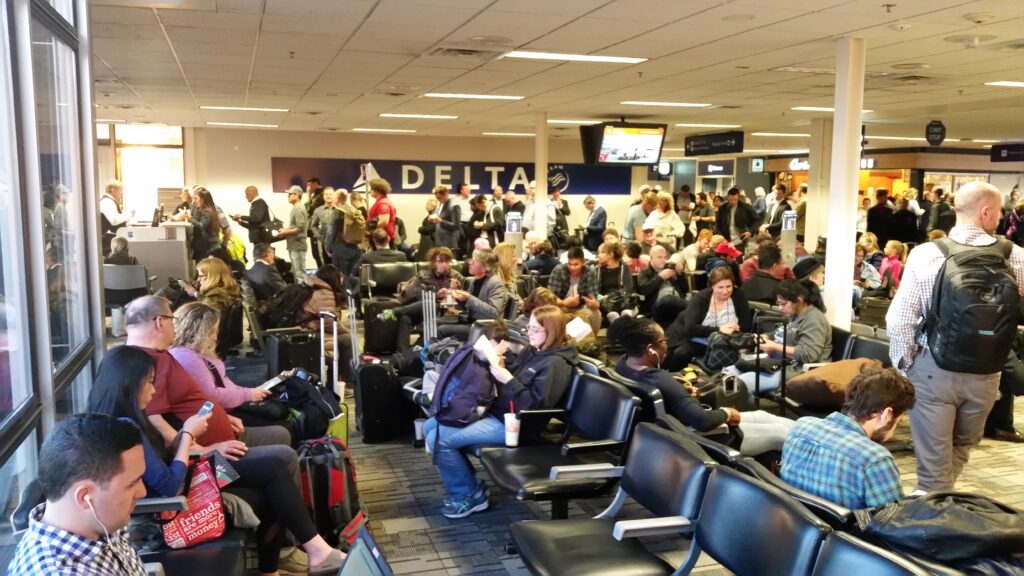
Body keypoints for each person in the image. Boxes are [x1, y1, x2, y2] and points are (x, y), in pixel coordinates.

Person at [88, 346, 345, 575]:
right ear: (130, 385)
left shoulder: (120, 420)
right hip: (173, 504)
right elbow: (168, 486)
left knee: (275, 477)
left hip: (184, 481)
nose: (154, 390)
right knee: (275, 473)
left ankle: (299, 558)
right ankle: (308, 553)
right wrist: (188, 435)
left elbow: (159, 467)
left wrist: (192, 445)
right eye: (150, 383)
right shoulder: (127, 428)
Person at [887, 182, 1024, 492]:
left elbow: (899, 319)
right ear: (985, 212)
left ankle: (930, 510)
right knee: (963, 444)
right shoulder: (1016, 257)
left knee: (934, 459)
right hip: (987, 373)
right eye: (999, 211)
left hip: (934, 368)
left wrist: (905, 365)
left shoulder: (927, 254)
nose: (1002, 216)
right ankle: (937, 500)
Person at [424, 305, 578, 518]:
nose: (528, 333)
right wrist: (500, 364)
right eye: (529, 329)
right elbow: (517, 377)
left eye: (534, 330)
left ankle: (468, 495)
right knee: (430, 425)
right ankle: (470, 486)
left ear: (550, 331)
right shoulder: (535, 351)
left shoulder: (555, 364)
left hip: (515, 425)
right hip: (498, 411)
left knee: (438, 439)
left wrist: (508, 379)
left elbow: (536, 406)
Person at [124, 296, 292, 454]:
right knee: (283, 450)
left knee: (282, 434)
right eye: (171, 319)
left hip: (219, 434)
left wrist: (225, 417)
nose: (175, 325)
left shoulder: (163, 356)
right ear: (160, 322)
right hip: (210, 450)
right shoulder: (164, 359)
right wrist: (202, 450)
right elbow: (155, 417)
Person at [611, 316, 794, 456]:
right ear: (650, 349)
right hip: (701, 438)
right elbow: (703, 421)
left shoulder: (622, 364)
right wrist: (727, 412)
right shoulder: (658, 378)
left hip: (668, 433)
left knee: (762, 415)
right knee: (779, 433)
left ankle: (813, 430)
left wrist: (678, 390)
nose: (666, 346)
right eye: (663, 342)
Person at [8, 413, 148, 575]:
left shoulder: (101, 520)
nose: (142, 492)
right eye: (132, 484)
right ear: (84, 498)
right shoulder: (58, 571)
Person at [782, 367, 916, 509]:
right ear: (887, 414)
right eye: (898, 421)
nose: (894, 431)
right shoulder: (875, 459)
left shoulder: (801, 427)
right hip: (844, 530)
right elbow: (892, 524)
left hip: (796, 525)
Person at [736, 280, 832, 402]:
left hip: (795, 370)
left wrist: (775, 347)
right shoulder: (793, 314)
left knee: (740, 384)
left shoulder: (814, 320)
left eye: (783, 304)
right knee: (732, 372)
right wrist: (766, 337)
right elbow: (781, 333)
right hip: (776, 363)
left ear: (799, 299)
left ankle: (742, 417)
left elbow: (809, 354)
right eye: (778, 303)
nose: (780, 308)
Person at [170, 302, 274, 412]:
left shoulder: (190, 352)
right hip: (220, 411)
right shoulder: (188, 358)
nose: (215, 337)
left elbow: (222, 384)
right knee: (281, 426)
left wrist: (248, 392)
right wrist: (247, 394)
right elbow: (211, 396)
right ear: (199, 332)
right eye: (212, 331)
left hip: (225, 405)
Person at [664, 266, 752, 371]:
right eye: (720, 287)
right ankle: (670, 378)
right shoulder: (701, 298)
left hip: (724, 340)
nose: (725, 291)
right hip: (695, 336)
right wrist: (719, 329)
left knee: (682, 353)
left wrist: (736, 327)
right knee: (668, 353)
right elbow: (690, 328)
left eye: (728, 286)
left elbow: (747, 324)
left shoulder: (738, 295)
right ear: (712, 286)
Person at [394, 247, 464, 352]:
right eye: (440, 261)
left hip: (445, 312)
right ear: (433, 262)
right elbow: (418, 296)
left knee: (432, 314)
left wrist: (452, 290)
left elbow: (462, 299)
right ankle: (402, 352)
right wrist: (437, 295)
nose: (444, 264)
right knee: (405, 317)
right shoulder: (423, 275)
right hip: (424, 308)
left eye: (447, 261)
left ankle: (417, 348)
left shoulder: (457, 277)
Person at [437, 249, 510, 340]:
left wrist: (468, 298)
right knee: (434, 323)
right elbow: (467, 308)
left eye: (474, 260)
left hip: (486, 327)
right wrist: (455, 293)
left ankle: (437, 352)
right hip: (471, 321)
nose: (470, 262)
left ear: (485, 266)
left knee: (440, 330)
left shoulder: (495, 282)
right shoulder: (475, 280)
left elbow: (494, 313)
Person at [547, 246, 601, 333]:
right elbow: (550, 298)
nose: (572, 268)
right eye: (569, 264)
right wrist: (564, 303)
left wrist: (595, 304)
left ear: (584, 262)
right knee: (551, 313)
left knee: (595, 313)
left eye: (576, 264)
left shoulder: (590, 272)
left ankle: (590, 342)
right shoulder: (559, 270)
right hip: (561, 306)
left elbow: (593, 297)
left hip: (581, 307)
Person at [636, 245, 687, 325]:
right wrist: (660, 277)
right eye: (659, 257)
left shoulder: (670, 268)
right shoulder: (645, 272)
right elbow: (644, 290)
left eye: (664, 257)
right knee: (668, 299)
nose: (663, 260)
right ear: (651, 257)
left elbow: (685, 290)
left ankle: (693, 307)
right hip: (658, 305)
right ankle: (692, 305)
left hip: (677, 303)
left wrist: (679, 275)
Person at [275, 186, 310, 284]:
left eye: (290, 194)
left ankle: (303, 296)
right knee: (297, 272)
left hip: (297, 245)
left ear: (297, 195)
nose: (288, 196)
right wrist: (286, 229)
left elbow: (300, 228)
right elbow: (297, 226)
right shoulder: (296, 208)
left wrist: (286, 232)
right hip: (294, 245)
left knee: (300, 273)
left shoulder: (299, 209)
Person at [595, 242, 635, 323]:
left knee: (625, 313)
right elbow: (595, 291)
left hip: (622, 299)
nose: (599, 255)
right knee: (612, 313)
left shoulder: (624, 267)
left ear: (611, 254)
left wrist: (610, 296)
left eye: (602, 252)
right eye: (598, 253)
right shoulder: (598, 270)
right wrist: (601, 298)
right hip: (605, 303)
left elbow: (628, 289)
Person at [232, 185, 274, 253]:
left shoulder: (259, 202)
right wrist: (241, 222)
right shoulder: (255, 204)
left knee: (263, 259)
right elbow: (254, 225)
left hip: (261, 240)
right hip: (259, 240)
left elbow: (257, 218)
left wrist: (241, 216)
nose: (245, 196)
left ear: (253, 193)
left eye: (246, 193)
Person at [100, 179, 131, 255]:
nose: (122, 194)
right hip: (108, 243)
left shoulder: (110, 201)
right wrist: (128, 214)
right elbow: (114, 221)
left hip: (111, 241)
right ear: (113, 190)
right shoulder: (107, 202)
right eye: (121, 191)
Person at [309, 187, 337, 266]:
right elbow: (313, 226)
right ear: (323, 196)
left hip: (339, 242)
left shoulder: (340, 209)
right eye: (326, 194)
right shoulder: (318, 210)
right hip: (325, 242)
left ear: (334, 195)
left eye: (330, 194)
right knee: (327, 265)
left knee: (339, 266)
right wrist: (320, 236)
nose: (328, 196)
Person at [431, 185, 462, 254]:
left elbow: (456, 226)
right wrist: (432, 218)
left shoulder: (454, 206)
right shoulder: (440, 204)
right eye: (437, 198)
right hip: (439, 240)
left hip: (449, 242)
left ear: (446, 194)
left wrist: (440, 221)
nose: (438, 200)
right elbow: (437, 216)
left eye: (439, 198)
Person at [367, 177, 397, 246]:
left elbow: (384, 222)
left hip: (382, 240)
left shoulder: (383, 203)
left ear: (377, 190)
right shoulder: (381, 201)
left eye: (371, 188)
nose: (369, 191)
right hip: (381, 238)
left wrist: (372, 232)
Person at [305, 177, 326, 268]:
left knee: (319, 254)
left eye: (309, 184)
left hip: (318, 230)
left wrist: (308, 195)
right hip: (314, 229)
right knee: (316, 254)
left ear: (315, 183)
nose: (308, 187)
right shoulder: (316, 196)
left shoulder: (321, 195)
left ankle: (324, 274)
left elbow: (309, 210)